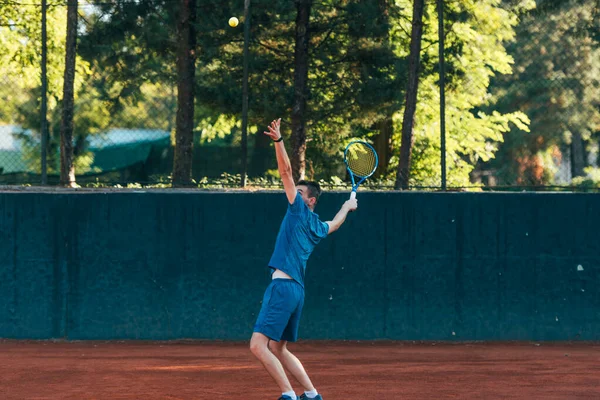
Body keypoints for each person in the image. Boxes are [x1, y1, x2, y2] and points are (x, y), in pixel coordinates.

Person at [250, 118, 358, 400]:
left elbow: (285, 171)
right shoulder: (317, 226)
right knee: (279, 348)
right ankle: (311, 395)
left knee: (258, 346)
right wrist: (347, 206)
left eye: (299, 192)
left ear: (309, 201)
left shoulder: (298, 211)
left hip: (283, 287)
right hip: (297, 291)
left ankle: (288, 395)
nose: (293, 194)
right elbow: (334, 224)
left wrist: (278, 141)